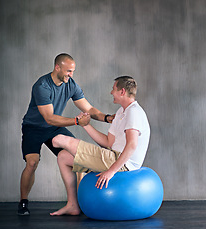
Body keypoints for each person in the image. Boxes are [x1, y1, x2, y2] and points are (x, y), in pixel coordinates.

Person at [18, 53, 115, 216]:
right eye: (69, 71)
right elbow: (49, 118)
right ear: (57, 67)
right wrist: (76, 122)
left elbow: (89, 109)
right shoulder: (42, 86)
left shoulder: (71, 85)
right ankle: (23, 202)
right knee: (32, 163)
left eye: (73, 71)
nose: (71, 75)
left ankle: (77, 203)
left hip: (54, 129)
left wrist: (106, 118)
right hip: (33, 128)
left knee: (78, 156)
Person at [49, 76, 150, 216]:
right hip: (112, 155)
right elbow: (108, 142)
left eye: (113, 89)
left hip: (123, 163)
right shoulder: (121, 112)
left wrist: (111, 171)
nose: (111, 92)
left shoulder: (134, 112)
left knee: (58, 140)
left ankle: (75, 203)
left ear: (122, 91)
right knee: (63, 157)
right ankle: (72, 205)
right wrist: (86, 125)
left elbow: (132, 145)